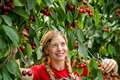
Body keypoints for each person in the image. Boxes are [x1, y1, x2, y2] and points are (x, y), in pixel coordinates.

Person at [21, 30, 118, 80]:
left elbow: (110, 70)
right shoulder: (39, 71)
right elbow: (19, 74)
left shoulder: (78, 66)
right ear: (47, 50)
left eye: (63, 44)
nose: (60, 49)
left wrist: (111, 62)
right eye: (55, 45)